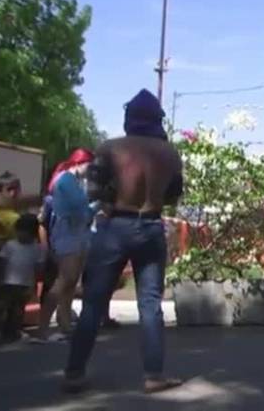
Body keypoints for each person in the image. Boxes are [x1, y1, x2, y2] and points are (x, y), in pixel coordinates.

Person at [63, 89, 184, 394]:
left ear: (129, 118)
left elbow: (94, 192)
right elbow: (173, 195)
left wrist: (111, 203)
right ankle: (153, 375)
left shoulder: (110, 148)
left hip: (116, 224)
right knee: (151, 305)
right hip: (152, 225)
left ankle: (74, 372)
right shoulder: (170, 154)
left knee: (93, 303)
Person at [32, 149, 95, 343]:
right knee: (64, 280)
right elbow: (80, 204)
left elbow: (84, 209)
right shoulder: (66, 180)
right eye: (89, 165)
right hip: (68, 236)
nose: (91, 170)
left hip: (77, 235)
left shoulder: (73, 181)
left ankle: (65, 324)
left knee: (70, 282)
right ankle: (42, 327)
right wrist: (97, 199)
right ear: (81, 162)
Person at [0, 214, 45, 343]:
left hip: (25, 283)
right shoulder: (10, 245)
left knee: (18, 310)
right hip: (8, 281)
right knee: (3, 308)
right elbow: (2, 262)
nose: (22, 235)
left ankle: (14, 331)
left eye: (26, 232)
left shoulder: (37, 248)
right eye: (20, 231)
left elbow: (38, 267)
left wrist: (34, 284)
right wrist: (0, 278)